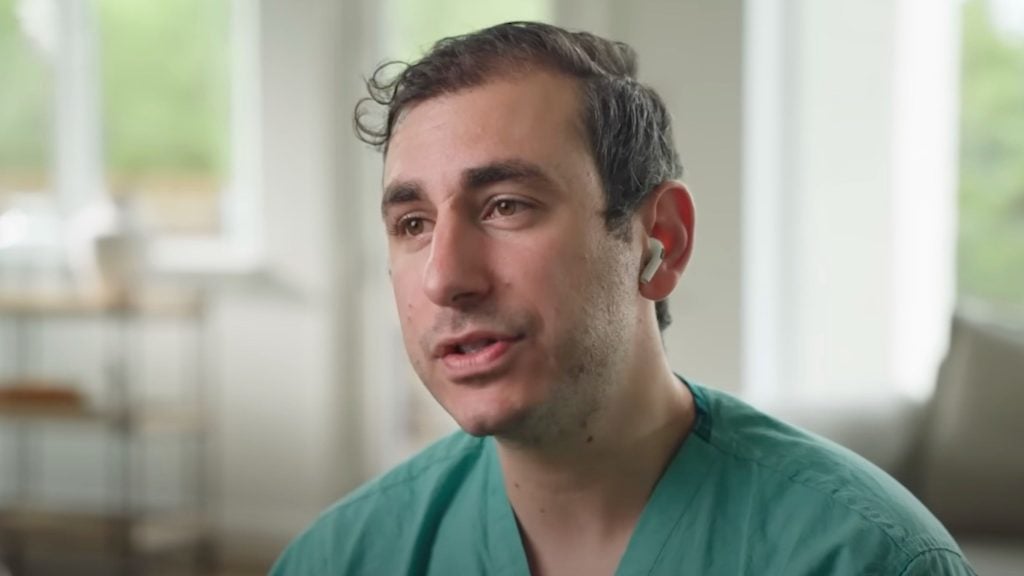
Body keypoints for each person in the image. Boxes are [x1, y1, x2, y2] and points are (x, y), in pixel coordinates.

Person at [272, 21, 974, 575]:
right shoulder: (343, 558)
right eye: (413, 224)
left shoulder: (864, 559)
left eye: (507, 206)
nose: (444, 277)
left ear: (658, 238)